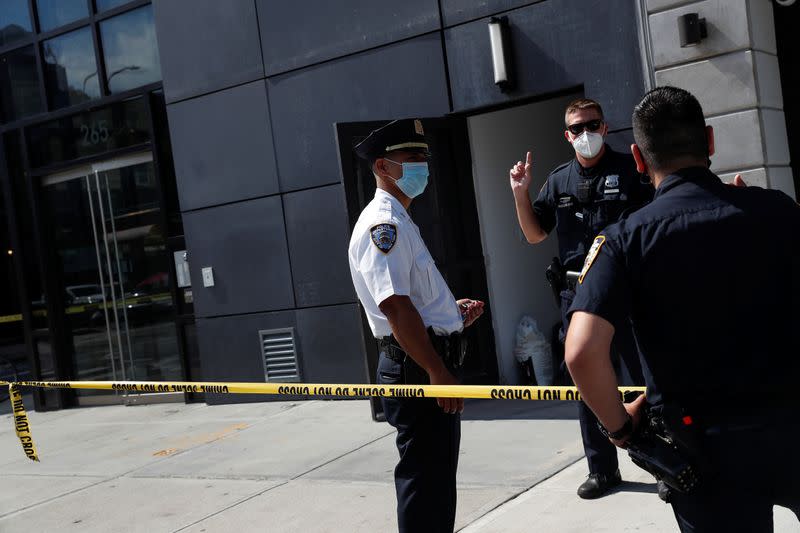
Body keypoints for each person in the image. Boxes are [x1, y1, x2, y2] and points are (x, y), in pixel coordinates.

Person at [565, 86, 800, 531]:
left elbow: (580, 352)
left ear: (637, 157)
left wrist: (622, 431)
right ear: (709, 141)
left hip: (707, 449)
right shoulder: (778, 210)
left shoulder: (625, 240)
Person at [508, 98, 652, 498]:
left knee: (644, 376)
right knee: (587, 381)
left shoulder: (632, 169)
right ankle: (602, 470)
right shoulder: (557, 181)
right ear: (566, 136)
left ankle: (661, 458)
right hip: (578, 293)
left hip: (626, 288)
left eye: (592, 125)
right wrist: (520, 193)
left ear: (605, 128)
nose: (584, 134)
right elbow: (535, 233)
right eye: (577, 128)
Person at [348, 119, 485, 533]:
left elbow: (412, 302)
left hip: (422, 361)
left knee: (436, 484)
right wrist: (437, 371)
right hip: (417, 369)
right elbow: (395, 307)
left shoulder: (401, 219)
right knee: (425, 486)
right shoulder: (382, 225)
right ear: (382, 167)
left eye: (424, 156)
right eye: (411, 158)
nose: (422, 165)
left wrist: (449, 315)